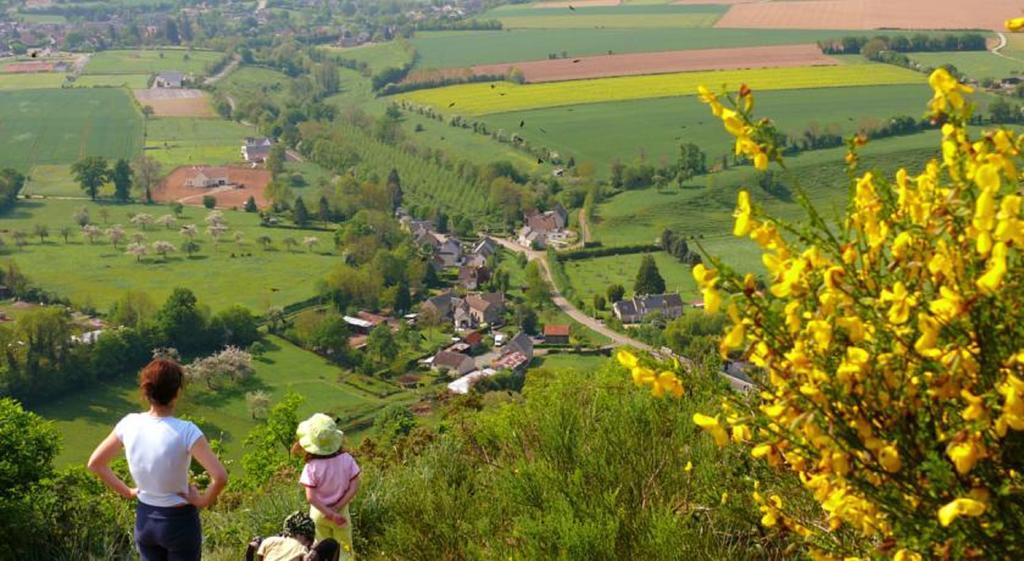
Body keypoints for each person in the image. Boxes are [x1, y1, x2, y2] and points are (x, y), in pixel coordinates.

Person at [88, 358, 228, 561]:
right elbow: (220, 477)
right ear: (177, 392)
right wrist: (203, 500)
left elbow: (96, 463)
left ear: (146, 391)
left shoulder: (129, 423)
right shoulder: (187, 431)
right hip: (179, 522)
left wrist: (127, 491)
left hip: (145, 520)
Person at [294, 414, 361, 560]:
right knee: (345, 549)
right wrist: (337, 509)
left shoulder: (311, 467)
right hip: (341, 513)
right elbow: (355, 486)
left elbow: (310, 497)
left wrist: (328, 513)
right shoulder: (346, 459)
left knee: (322, 551)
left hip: (319, 513)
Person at [252, 512, 340, 561]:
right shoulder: (302, 549)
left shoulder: (269, 541)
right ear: (309, 539)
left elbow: (255, 549)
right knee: (332, 544)